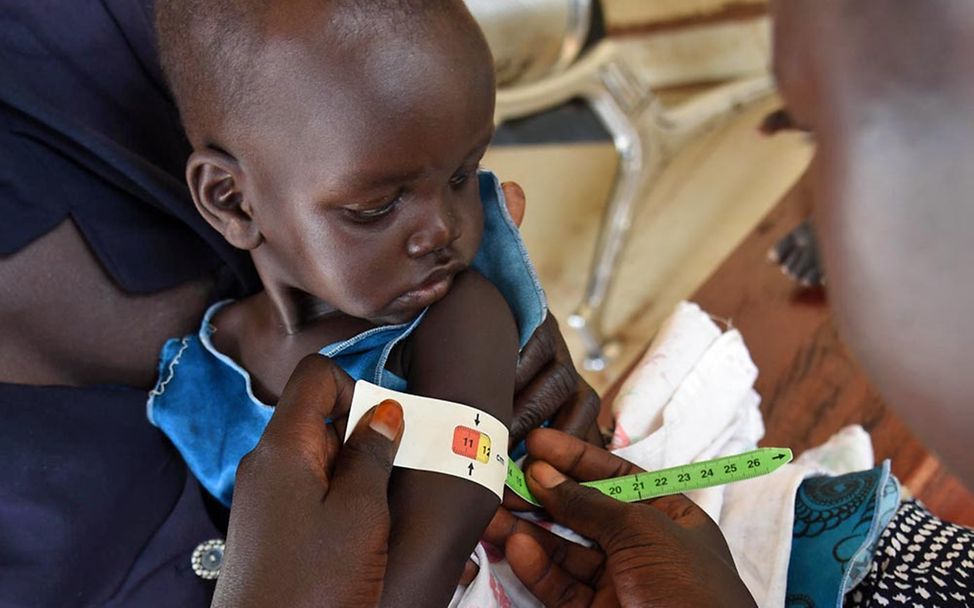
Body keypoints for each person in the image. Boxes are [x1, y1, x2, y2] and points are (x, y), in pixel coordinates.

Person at [0, 2, 598, 606]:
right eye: (374, 209)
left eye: (465, 174)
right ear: (232, 203)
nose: (442, 229)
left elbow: (453, 509)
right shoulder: (209, 357)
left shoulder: (458, 313)